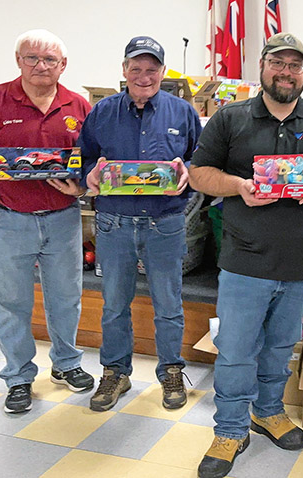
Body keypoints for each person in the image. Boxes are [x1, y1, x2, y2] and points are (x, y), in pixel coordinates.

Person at [188, 32, 303, 478]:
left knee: (281, 347)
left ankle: (268, 411)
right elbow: (199, 174)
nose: (286, 72)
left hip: (302, 263)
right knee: (236, 350)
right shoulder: (231, 118)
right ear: (263, 67)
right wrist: (239, 186)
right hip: (245, 262)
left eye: (295, 65)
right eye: (278, 63)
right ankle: (230, 429)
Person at [0, 29, 94, 413]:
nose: (40, 66)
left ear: (63, 65)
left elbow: (92, 162)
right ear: (18, 60)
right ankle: (18, 377)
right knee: (11, 303)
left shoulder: (79, 106)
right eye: (32, 58)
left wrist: (81, 187)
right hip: (5, 219)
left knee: (66, 299)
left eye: (50, 60)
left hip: (63, 219)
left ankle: (67, 364)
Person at [77, 36, 202, 412]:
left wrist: (188, 171)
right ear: (124, 70)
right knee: (114, 304)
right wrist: (90, 175)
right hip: (114, 223)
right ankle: (116, 372)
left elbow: (201, 158)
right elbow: (83, 158)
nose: (144, 76)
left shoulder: (182, 112)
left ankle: (171, 371)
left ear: (162, 72)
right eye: (136, 68)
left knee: (169, 304)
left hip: (166, 223)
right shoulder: (102, 112)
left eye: (151, 69)